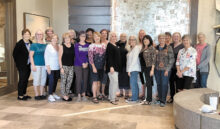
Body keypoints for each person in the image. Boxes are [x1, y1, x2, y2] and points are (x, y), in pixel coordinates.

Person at [155, 34, 174, 107]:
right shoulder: (155, 47)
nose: (162, 39)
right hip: (157, 70)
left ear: (165, 39)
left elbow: (171, 59)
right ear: (158, 39)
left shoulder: (169, 48)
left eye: (163, 38)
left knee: (164, 84)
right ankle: (159, 99)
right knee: (159, 84)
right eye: (160, 38)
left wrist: (167, 69)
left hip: (165, 70)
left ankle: (163, 100)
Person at [13, 29, 32, 100]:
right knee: (22, 79)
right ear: (23, 35)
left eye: (28, 34)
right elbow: (14, 54)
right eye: (25, 34)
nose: (27, 35)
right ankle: (20, 95)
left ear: (30, 35)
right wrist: (18, 64)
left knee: (26, 79)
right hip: (21, 65)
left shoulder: (31, 42)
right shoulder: (19, 44)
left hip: (28, 65)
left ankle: (24, 93)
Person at [88, 32, 106, 103]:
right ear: (93, 38)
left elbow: (105, 57)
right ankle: (94, 96)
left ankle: (98, 94)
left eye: (98, 36)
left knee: (99, 82)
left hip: (101, 66)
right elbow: (90, 58)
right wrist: (93, 67)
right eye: (95, 36)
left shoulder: (103, 45)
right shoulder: (91, 46)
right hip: (94, 66)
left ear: (100, 37)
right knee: (95, 82)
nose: (97, 38)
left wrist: (104, 65)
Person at [29, 30, 47, 100]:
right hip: (36, 65)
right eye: (38, 34)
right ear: (36, 36)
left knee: (43, 80)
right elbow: (30, 56)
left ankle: (42, 94)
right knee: (36, 80)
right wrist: (32, 65)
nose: (39, 35)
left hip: (44, 65)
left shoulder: (46, 45)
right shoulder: (33, 45)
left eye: (41, 34)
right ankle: (37, 94)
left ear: (43, 35)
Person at [167, 32, 184, 103]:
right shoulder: (170, 45)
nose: (176, 37)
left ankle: (178, 100)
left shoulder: (183, 46)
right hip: (171, 68)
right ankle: (172, 97)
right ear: (172, 38)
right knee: (171, 83)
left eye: (177, 36)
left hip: (179, 68)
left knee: (178, 84)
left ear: (180, 37)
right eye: (174, 36)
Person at [140, 35, 156, 105]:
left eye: (147, 39)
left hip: (148, 68)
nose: (145, 40)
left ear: (150, 40)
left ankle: (149, 100)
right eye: (144, 39)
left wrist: (152, 70)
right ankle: (146, 98)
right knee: (146, 83)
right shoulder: (143, 48)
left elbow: (154, 60)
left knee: (149, 84)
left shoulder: (151, 48)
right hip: (143, 68)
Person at [106, 32, 121, 105]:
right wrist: (111, 67)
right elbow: (109, 58)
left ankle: (111, 96)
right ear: (110, 37)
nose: (114, 37)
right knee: (114, 82)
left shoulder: (115, 45)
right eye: (112, 36)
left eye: (115, 36)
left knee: (113, 83)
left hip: (116, 67)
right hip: (112, 68)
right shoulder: (109, 45)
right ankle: (112, 99)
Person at [44, 34, 61, 102]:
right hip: (50, 67)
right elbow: (46, 56)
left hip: (57, 67)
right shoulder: (48, 46)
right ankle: (50, 95)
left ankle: (53, 93)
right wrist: (47, 67)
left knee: (55, 81)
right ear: (51, 39)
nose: (55, 39)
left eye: (56, 38)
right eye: (53, 38)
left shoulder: (59, 46)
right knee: (51, 81)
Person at [59, 33, 75, 101]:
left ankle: (67, 93)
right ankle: (63, 95)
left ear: (70, 39)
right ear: (63, 39)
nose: (67, 39)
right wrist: (61, 68)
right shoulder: (62, 46)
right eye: (65, 38)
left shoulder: (73, 46)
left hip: (71, 66)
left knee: (70, 80)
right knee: (63, 81)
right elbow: (59, 58)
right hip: (64, 66)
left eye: (68, 38)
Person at [74, 31, 89, 102]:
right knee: (79, 79)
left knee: (85, 80)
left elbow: (89, 56)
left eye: (84, 36)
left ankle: (84, 94)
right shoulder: (76, 45)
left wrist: (86, 63)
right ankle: (79, 95)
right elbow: (77, 56)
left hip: (86, 65)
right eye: (82, 36)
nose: (83, 37)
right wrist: (82, 63)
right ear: (79, 37)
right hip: (78, 64)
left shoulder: (88, 45)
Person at [126, 36, 141, 103]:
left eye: (133, 40)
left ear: (136, 41)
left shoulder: (136, 48)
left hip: (134, 69)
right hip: (132, 69)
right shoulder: (131, 48)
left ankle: (134, 99)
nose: (131, 41)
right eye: (130, 39)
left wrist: (129, 70)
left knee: (133, 84)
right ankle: (135, 97)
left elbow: (134, 60)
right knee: (134, 83)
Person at [117, 33, 130, 99]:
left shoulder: (128, 44)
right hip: (118, 65)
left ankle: (127, 93)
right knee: (120, 78)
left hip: (126, 65)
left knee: (126, 79)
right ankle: (121, 92)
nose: (123, 37)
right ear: (120, 37)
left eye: (124, 36)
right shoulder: (117, 44)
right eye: (122, 36)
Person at [138, 29, 146, 99]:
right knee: (142, 80)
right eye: (140, 34)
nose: (142, 35)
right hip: (139, 65)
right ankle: (143, 93)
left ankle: (145, 94)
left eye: (143, 34)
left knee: (146, 80)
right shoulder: (138, 44)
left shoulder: (148, 44)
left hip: (146, 66)